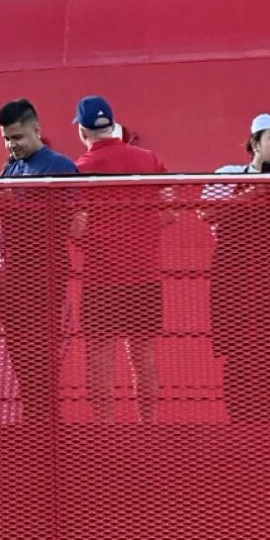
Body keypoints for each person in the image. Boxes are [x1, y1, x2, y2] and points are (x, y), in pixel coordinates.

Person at [201, 113, 270, 423]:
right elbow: (205, 211)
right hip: (233, 280)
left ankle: (265, 421)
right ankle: (242, 426)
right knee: (240, 357)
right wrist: (252, 194)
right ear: (255, 143)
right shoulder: (230, 174)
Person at [72, 95, 169, 422]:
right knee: (143, 355)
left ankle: (105, 432)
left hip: (101, 278)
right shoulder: (149, 159)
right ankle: (149, 426)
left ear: (83, 131)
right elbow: (170, 213)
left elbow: (75, 226)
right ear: (112, 126)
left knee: (100, 359)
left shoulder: (79, 169)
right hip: (145, 275)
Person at [0, 99, 78, 424]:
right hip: (12, 276)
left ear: (36, 129)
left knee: (40, 358)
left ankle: (45, 427)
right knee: (22, 362)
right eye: (7, 139)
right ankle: (35, 423)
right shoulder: (9, 168)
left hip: (43, 276)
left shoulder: (57, 166)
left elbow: (68, 219)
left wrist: (15, 208)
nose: (12, 145)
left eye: (17, 137)